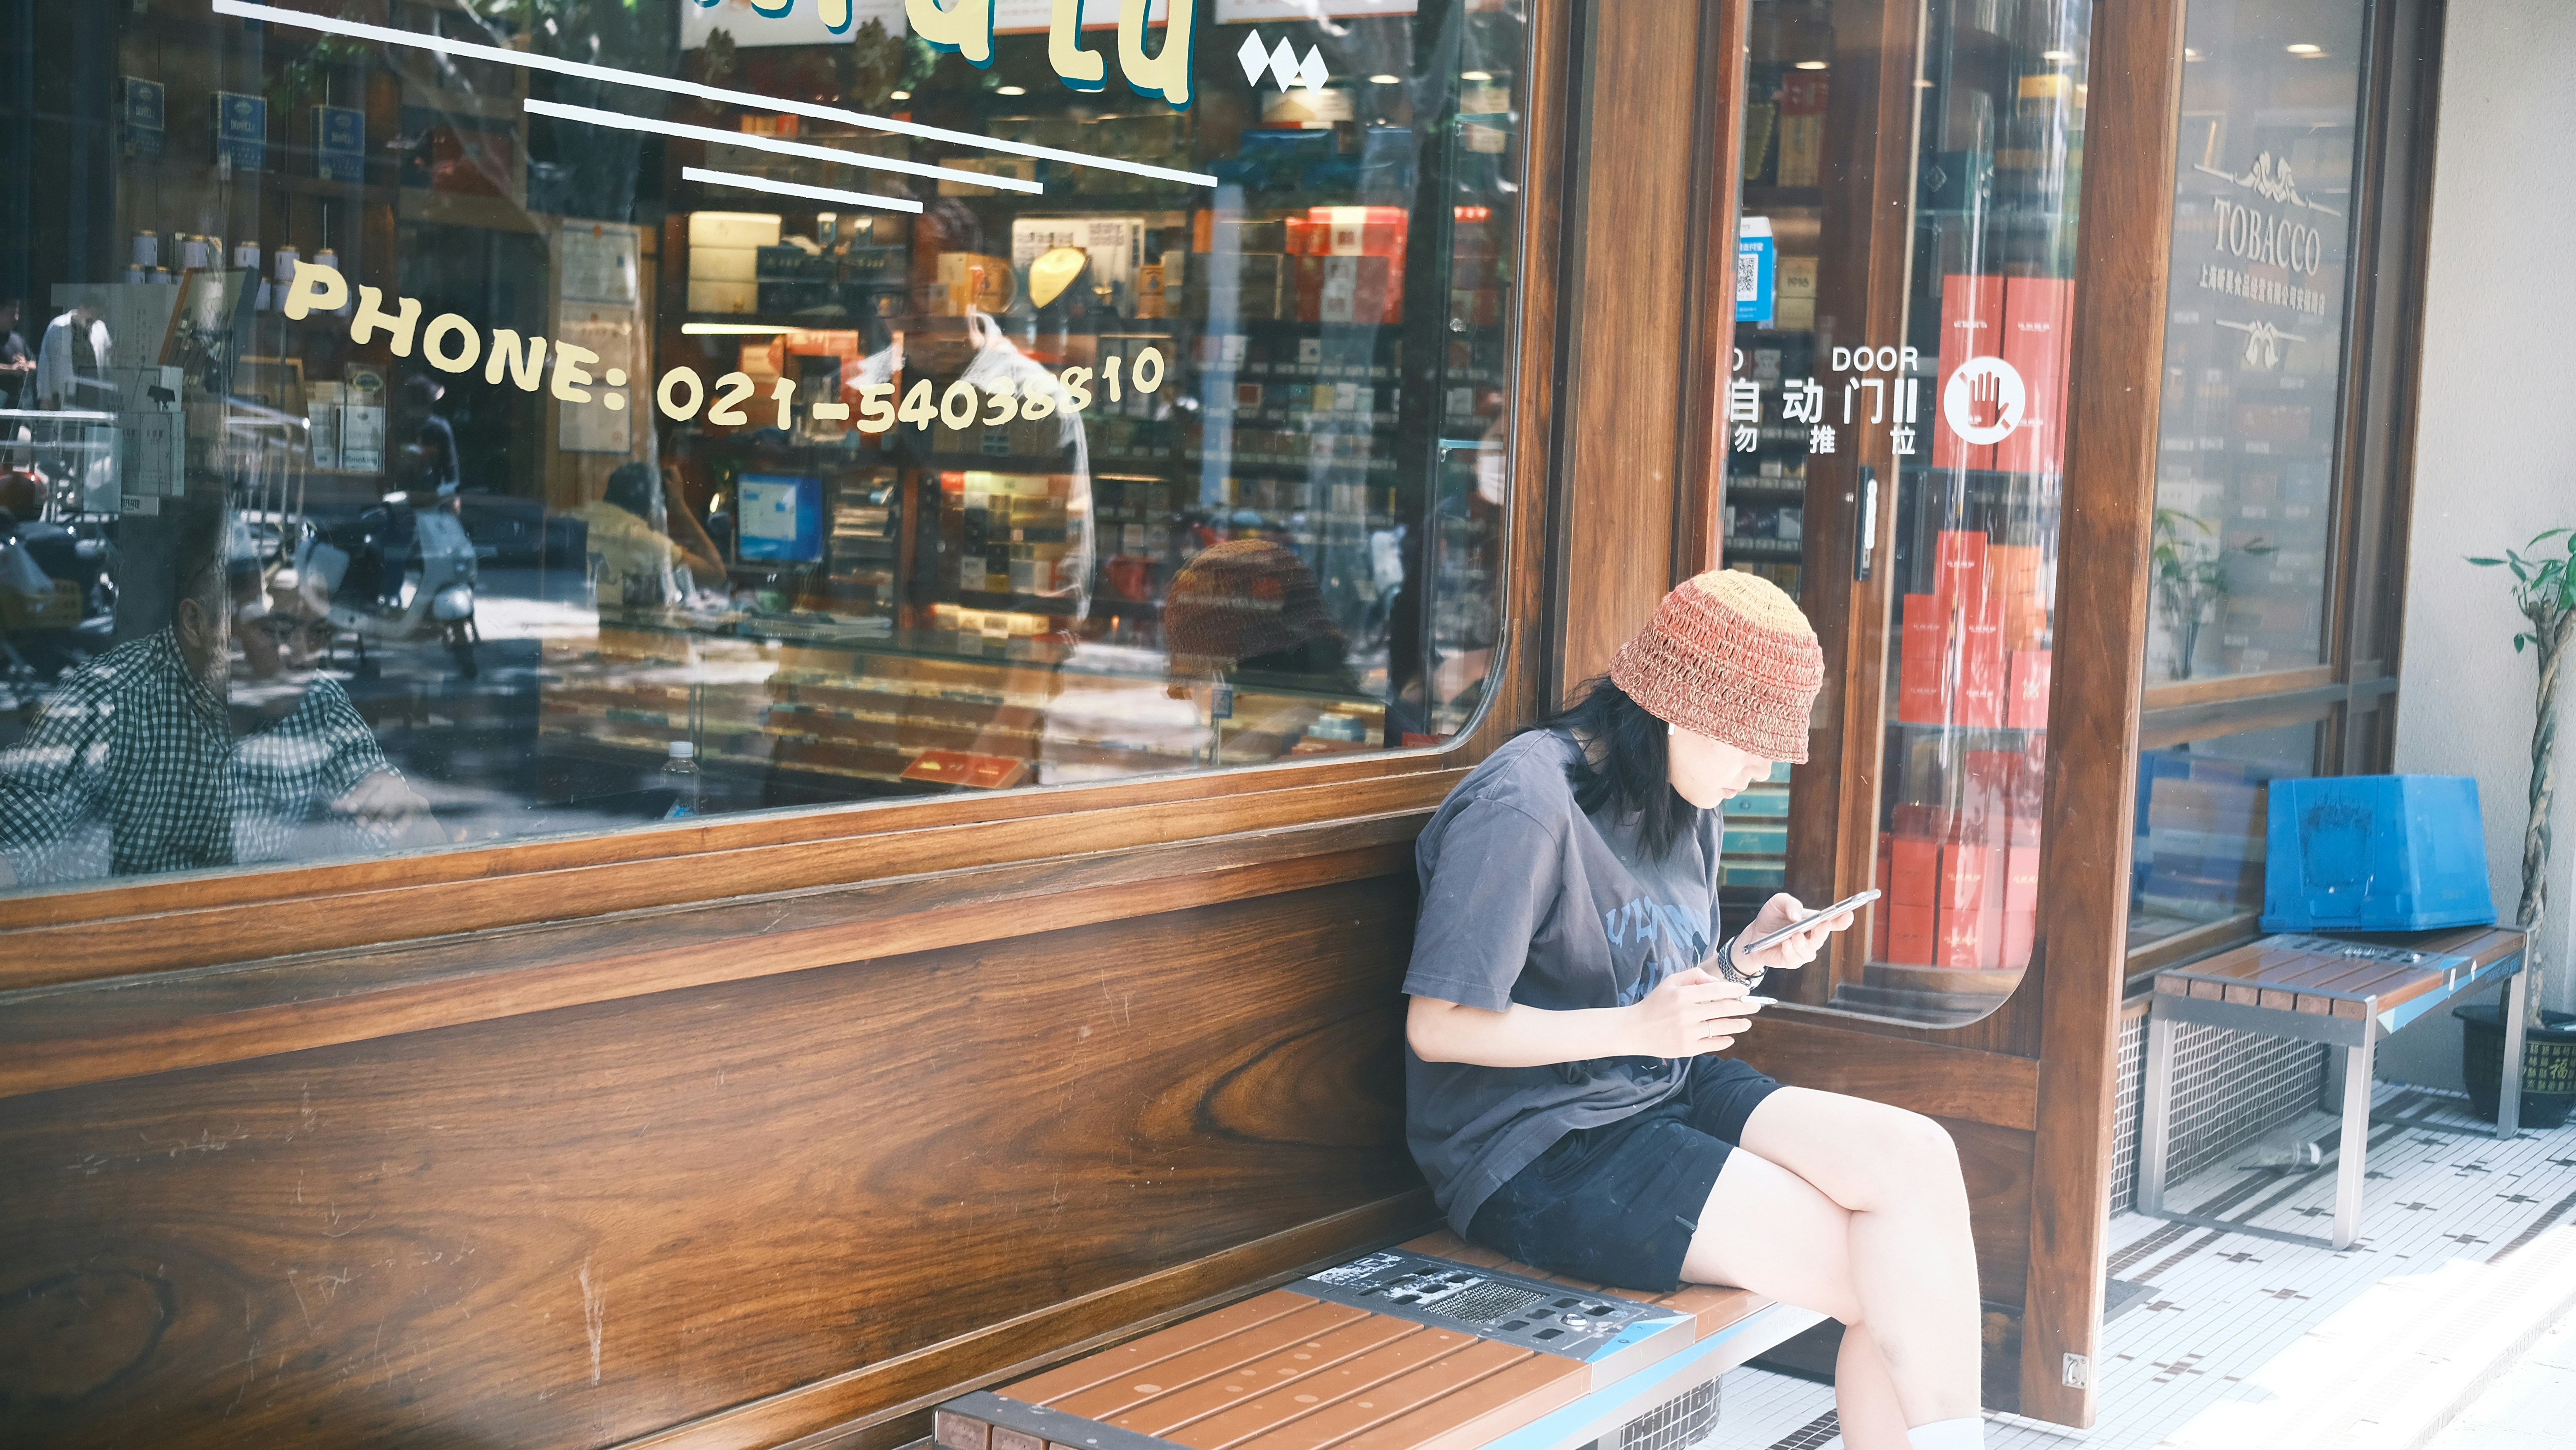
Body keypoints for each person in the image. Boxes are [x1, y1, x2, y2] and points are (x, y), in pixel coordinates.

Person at [1403, 569, 1984, 1450]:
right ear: (1681, 709)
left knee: (1919, 1161)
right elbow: (1437, 1025)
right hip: (1538, 1144)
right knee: (1891, 1278)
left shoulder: (1686, 794)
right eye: (1751, 746)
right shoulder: (1526, 801)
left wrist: (1744, 956)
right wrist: (1637, 1031)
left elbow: (1650, 982)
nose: (1759, 774)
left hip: (1657, 1087)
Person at [0, 495, 430, 888]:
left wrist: (404, 807)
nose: (303, 656)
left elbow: (427, 850)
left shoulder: (318, 702)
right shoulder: (107, 702)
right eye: (276, 630)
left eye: (318, 632)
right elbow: (19, 843)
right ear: (197, 623)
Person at [564, 460, 726, 609]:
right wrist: (680, 506)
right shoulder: (647, 543)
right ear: (653, 504)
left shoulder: (568, 521)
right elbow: (716, 574)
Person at [33, 291, 112, 412]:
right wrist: (45, 397)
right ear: (82, 308)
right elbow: (45, 364)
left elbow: (108, 364)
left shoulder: (100, 329)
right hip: (65, 394)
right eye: (92, 313)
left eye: (98, 315)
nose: (95, 318)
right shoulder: (58, 327)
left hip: (94, 392)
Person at [0, 299, 34, 410]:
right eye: (11, 314)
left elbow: (35, 364)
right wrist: (12, 370)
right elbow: (14, 370)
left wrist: (25, 365)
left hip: (18, 407)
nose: (16, 318)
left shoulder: (18, 339)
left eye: (17, 314)